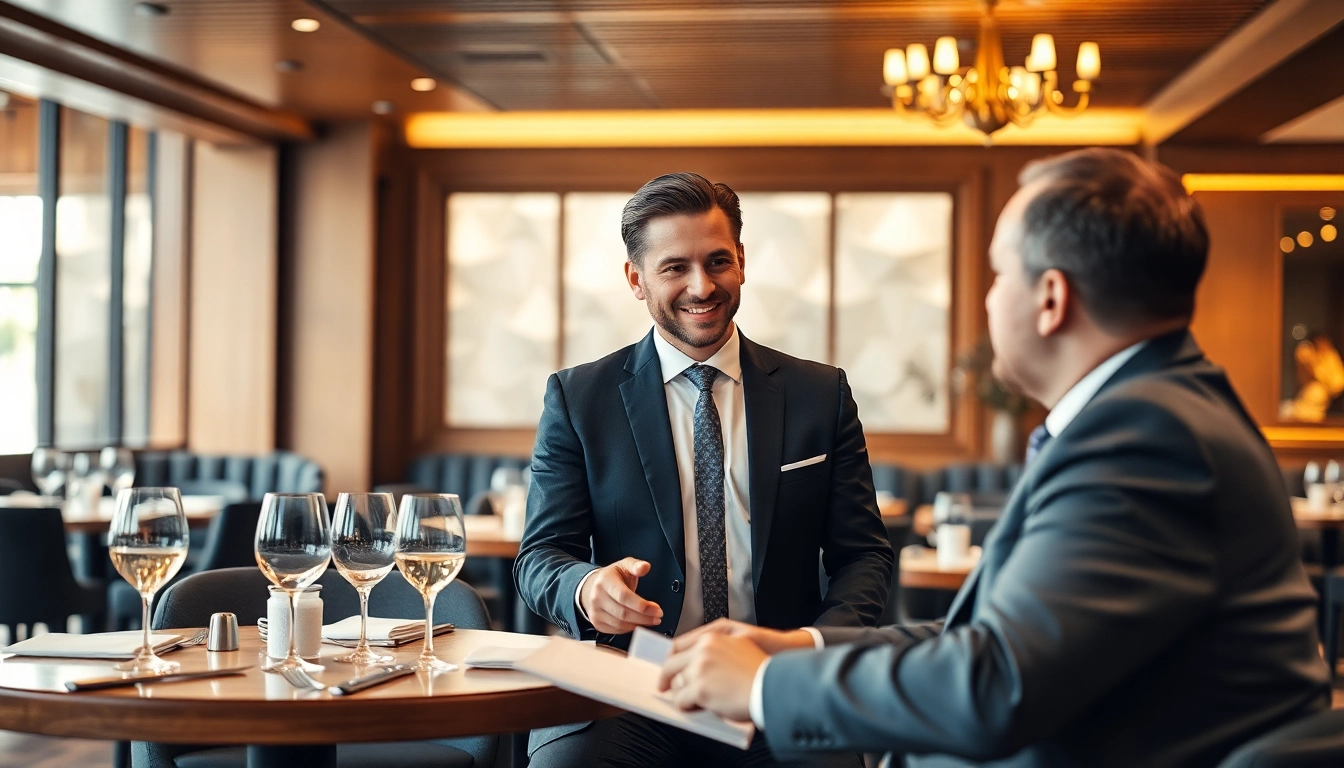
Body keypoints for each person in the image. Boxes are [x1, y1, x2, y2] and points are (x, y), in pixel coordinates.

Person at [657, 148, 1331, 767]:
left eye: (999, 273)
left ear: (1051, 299)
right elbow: (989, 639)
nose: (987, 297)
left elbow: (995, 685)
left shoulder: (1147, 439)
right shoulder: (1150, 414)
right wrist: (802, 647)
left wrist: (766, 685)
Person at [514, 172, 894, 767]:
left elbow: (864, 556)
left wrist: (808, 647)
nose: (702, 286)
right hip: (634, 684)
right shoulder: (578, 398)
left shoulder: (820, 394)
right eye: (675, 268)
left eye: (718, 261)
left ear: (741, 260)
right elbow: (541, 556)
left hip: (776, 682)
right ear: (636, 279)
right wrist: (585, 589)